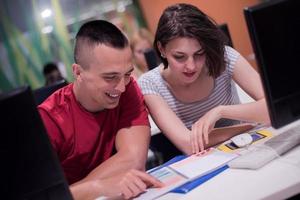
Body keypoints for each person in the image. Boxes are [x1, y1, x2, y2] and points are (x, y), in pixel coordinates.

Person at [38, 20, 162, 200]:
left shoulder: (129, 88)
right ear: (78, 73)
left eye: (127, 74)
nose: (121, 87)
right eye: (110, 77)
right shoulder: (48, 119)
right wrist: (97, 187)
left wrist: (73, 192)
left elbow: (134, 162)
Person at [138, 3, 270, 156]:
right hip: (206, 161)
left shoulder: (224, 57)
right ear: (161, 49)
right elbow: (189, 144)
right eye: (179, 57)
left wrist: (220, 111)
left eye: (199, 53)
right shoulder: (150, 84)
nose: (191, 66)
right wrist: (252, 125)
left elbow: (272, 108)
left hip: (248, 148)